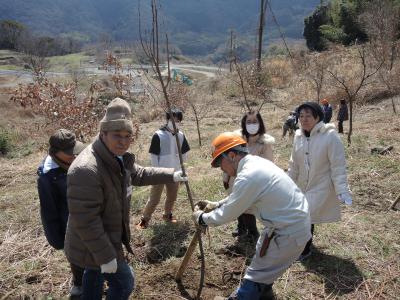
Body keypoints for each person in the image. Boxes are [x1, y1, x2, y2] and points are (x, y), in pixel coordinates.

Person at [64, 98, 188, 300]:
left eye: (127, 136)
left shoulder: (116, 156)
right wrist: (106, 257)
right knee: (124, 282)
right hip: (91, 241)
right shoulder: (86, 170)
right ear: (103, 134)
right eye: (117, 135)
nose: (123, 141)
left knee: (93, 275)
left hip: (101, 238)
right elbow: (86, 221)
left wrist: (171, 174)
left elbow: (138, 174)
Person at [193, 132, 311, 300]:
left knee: (255, 277)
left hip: (288, 233)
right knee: (263, 270)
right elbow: (242, 196)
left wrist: (201, 218)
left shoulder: (248, 176)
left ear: (232, 155)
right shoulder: (256, 163)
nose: (221, 169)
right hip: (292, 224)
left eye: (221, 163)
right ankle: (264, 295)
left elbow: (228, 214)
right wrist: (218, 204)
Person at [288, 101, 352, 261]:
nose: (304, 119)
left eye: (308, 116)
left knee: (306, 216)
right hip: (302, 184)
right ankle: (302, 245)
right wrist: (288, 184)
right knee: (301, 215)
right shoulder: (298, 136)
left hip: (321, 184)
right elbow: (293, 164)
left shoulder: (330, 136)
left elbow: (338, 165)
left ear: (317, 117)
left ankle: (304, 249)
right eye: (301, 116)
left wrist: (342, 189)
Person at [37, 129, 85, 297]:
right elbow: (49, 210)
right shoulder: (48, 176)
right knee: (76, 256)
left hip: (87, 217)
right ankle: (79, 283)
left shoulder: (78, 159)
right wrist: (57, 240)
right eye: (69, 153)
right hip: (68, 224)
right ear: (55, 152)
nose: (74, 155)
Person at [224, 111, 275, 240]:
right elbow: (229, 160)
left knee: (249, 207)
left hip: (253, 181)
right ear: (243, 124)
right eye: (249, 122)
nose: (252, 124)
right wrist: (226, 177)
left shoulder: (265, 143)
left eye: (255, 121)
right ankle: (241, 227)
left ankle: (253, 232)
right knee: (236, 203)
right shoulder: (236, 141)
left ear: (260, 123)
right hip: (234, 179)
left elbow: (268, 164)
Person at [137, 108, 190, 229]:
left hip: (175, 172)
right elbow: (153, 156)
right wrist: (156, 172)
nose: (176, 122)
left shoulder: (181, 136)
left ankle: (167, 215)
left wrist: (183, 170)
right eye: (173, 119)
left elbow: (184, 154)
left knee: (172, 196)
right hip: (160, 172)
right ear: (167, 120)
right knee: (154, 198)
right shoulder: (158, 135)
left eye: (178, 120)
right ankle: (144, 219)